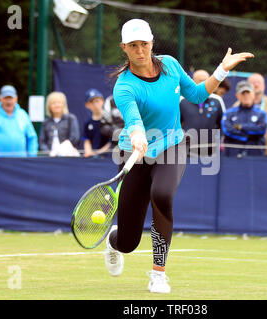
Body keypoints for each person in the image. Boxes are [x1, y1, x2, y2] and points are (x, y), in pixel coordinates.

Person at [106, 18, 254, 293]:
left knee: (162, 195)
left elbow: (197, 95)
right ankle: (113, 241)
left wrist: (222, 70)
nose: (140, 51)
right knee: (128, 242)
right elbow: (133, 119)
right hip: (135, 153)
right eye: (134, 46)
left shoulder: (171, 65)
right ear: (124, 48)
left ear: (152, 43)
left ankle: (158, 273)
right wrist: (137, 136)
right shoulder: (124, 86)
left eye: (145, 44)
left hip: (172, 145)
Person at [0, 85, 38, 156]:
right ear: (0, 99)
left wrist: (32, 155)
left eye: (11, 98)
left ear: (16, 99)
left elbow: (32, 137)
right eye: (6, 98)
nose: (8, 101)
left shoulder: (23, 114)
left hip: (20, 160)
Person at [179, 69, 226, 156]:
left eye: (206, 80)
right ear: (193, 81)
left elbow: (223, 124)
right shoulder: (182, 100)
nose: (204, 82)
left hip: (211, 151)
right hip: (188, 151)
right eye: (200, 80)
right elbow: (176, 124)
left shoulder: (217, 100)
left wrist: (219, 141)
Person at [221, 81, 267, 157]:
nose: (246, 96)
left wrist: (241, 127)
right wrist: (250, 136)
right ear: (237, 95)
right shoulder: (229, 113)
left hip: (255, 155)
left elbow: (261, 130)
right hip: (233, 154)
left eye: (248, 93)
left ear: (253, 94)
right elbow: (227, 131)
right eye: (243, 93)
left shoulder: (261, 114)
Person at [39, 91, 80, 156]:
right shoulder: (46, 122)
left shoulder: (71, 119)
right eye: (53, 103)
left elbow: (74, 138)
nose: (57, 105)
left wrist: (60, 150)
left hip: (68, 156)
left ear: (63, 104)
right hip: (49, 157)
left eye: (59, 103)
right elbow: (42, 141)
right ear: (49, 106)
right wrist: (48, 153)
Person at [83, 88, 111, 158]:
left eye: (97, 101)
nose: (95, 104)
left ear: (103, 101)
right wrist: (88, 152)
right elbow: (86, 140)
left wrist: (97, 153)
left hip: (109, 158)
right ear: (87, 105)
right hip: (93, 159)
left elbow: (112, 142)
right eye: (92, 102)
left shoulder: (110, 120)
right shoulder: (88, 122)